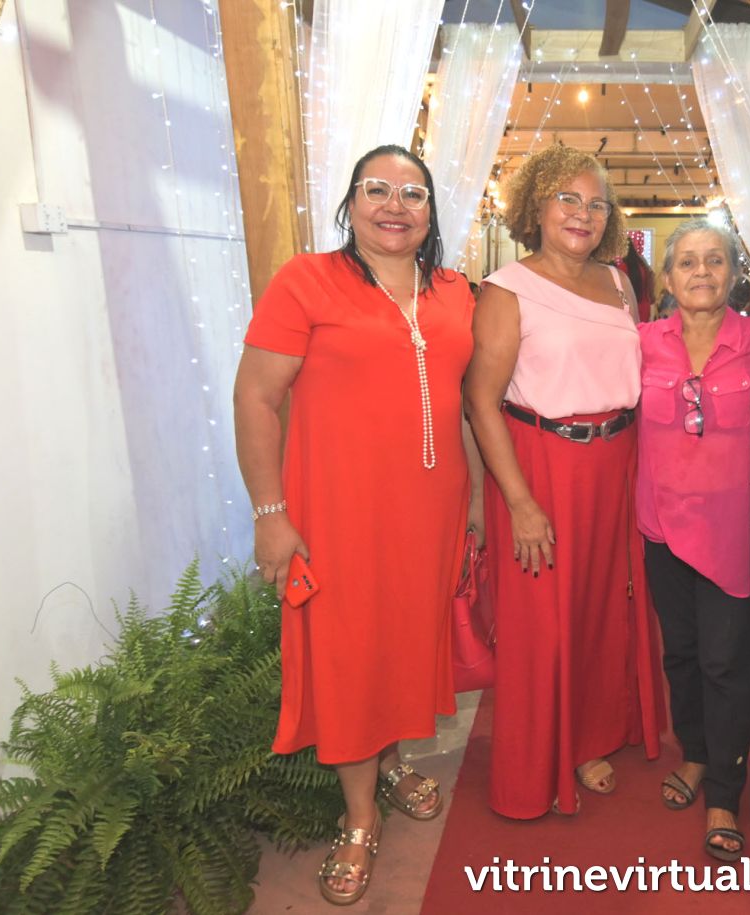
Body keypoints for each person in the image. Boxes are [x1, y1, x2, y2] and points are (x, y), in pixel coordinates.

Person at [234, 145, 480, 905]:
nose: (394, 206)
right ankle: (360, 816)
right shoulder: (306, 280)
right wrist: (270, 515)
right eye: (377, 190)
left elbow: (469, 399)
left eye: (413, 193)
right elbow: (255, 399)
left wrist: (476, 505)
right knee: (348, 653)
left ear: (431, 211)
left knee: (403, 640)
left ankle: (393, 760)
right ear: (350, 204)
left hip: (430, 512)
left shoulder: (455, 292)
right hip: (338, 513)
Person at [465, 144, 664, 820]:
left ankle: (588, 739)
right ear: (537, 206)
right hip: (541, 466)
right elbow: (481, 400)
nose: (583, 214)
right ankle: (534, 766)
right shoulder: (506, 288)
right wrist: (520, 502)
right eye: (568, 199)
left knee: (604, 608)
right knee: (543, 623)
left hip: (617, 463)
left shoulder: (619, 282)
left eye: (597, 204)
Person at [638, 219, 750, 863]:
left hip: (731, 533)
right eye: (687, 262)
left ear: (734, 273)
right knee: (681, 656)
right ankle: (695, 753)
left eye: (715, 260)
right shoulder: (640, 344)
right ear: (667, 277)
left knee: (725, 662)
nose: (702, 272)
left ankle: (725, 792)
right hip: (661, 527)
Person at [617, 232, 656, 322]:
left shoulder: (622, 267)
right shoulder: (642, 263)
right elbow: (651, 278)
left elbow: (621, 293)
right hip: (645, 305)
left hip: (631, 308)